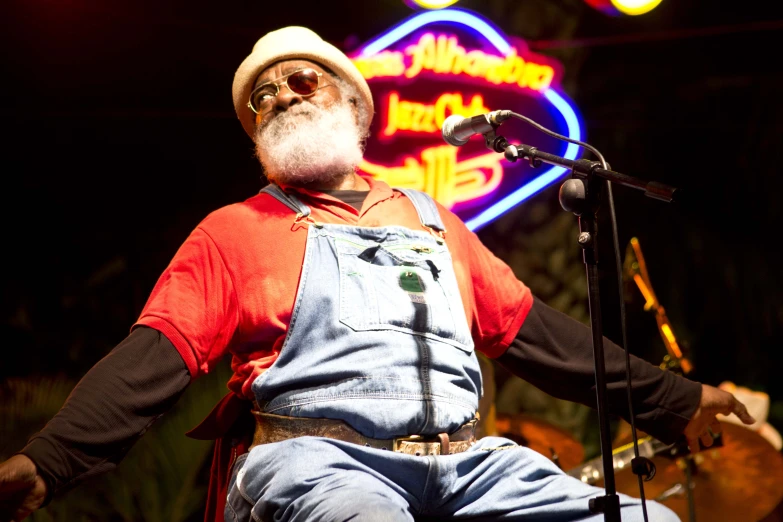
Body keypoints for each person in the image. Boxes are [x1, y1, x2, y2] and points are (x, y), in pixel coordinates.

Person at [0, 26, 755, 522]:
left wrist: (679, 401)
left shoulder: (432, 220)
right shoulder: (235, 231)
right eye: (263, 99)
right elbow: (151, 359)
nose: (280, 98)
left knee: (651, 519)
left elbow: (539, 338)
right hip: (317, 464)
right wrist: (49, 462)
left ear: (353, 106)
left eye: (301, 82)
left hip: (469, 464)